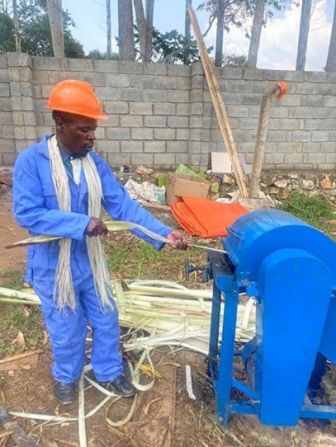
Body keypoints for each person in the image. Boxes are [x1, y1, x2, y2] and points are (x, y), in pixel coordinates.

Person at [12, 79, 188, 405]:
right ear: (60, 124)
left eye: (93, 129)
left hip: (90, 261)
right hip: (53, 264)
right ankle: (67, 375)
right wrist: (81, 223)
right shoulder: (30, 162)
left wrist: (163, 233)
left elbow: (122, 206)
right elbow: (27, 213)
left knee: (106, 316)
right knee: (66, 327)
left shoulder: (95, 164)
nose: (91, 136)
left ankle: (108, 370)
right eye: (83, 129)